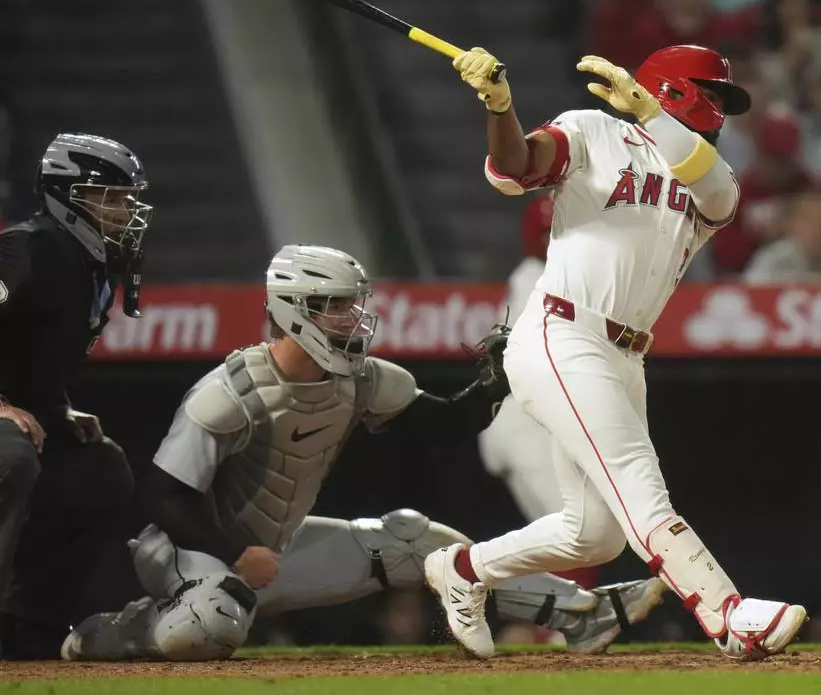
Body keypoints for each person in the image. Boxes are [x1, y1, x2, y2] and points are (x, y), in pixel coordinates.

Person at [60, 245, 665, 661]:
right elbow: (163, 495)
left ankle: (580, 613)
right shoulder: (229, 392)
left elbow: (445, 426)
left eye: (354, 303)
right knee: (208, 628)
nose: (353, 317)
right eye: (336, 305)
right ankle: (119, 630)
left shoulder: (362, 380)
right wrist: (234, 552)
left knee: (412, 541)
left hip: (275, 551)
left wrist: (496, 381)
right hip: (191, 554)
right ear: (295, 311)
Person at [437, 43, 807, 661]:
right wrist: (499, 107)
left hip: (626, 356)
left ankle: (462, 569)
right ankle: (728, 615)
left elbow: (716, 195)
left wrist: (653, 116)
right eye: (711, 93)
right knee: (639, 483)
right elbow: (515, 166)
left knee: (592, 536)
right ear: (675, 88)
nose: (719, 108)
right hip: (564, 331)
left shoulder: (713, 175)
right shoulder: (594, 130)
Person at [0, 134, 152, 659]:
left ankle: (26, 629)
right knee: (9, 456)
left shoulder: (87, 262)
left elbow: (28, 350)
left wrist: (57, 407)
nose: (125, 211)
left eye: (128, 198)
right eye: (111, 198)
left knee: (98, 470)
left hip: (26, 411)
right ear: (68, 197)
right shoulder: (26, 250)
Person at [477, 196, 601, 588]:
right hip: (524, 422)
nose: (558, 240)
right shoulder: (534, 276)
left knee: (572, 539)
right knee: (583, 531)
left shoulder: (565, 277)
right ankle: (468, 574)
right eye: (550, 233)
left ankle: (540, 616)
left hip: (535, 423)